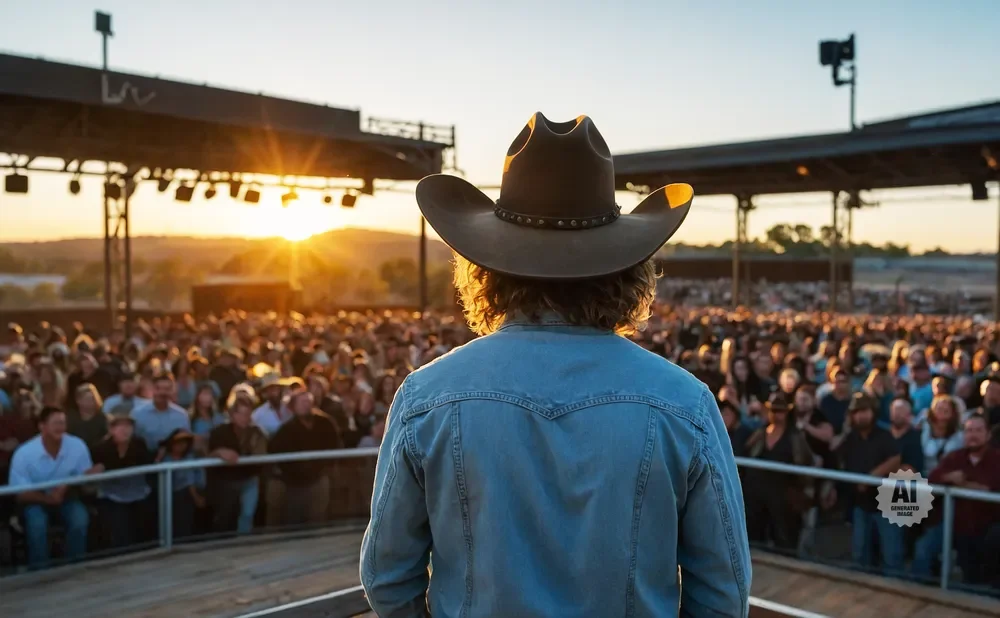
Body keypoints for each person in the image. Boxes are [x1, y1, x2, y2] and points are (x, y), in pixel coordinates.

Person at [361, 114, 751, 617]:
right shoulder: (685, 404)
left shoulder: (427, 397)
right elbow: (723, 596)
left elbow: (388, 580)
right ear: (628, 269)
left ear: (485, 268)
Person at [8, 406, 99, 568]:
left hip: (68, 496)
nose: (60, 427)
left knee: (80, 519)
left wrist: (87, 476)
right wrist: (48, 498)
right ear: (42, 426)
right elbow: (20, 493)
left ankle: (75, 568)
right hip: (35, 500)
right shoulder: (24, 453)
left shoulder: (77, 445)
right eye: (56, 423)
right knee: (37, 524)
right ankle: (41, 573)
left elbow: (86, 479)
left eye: (63, 423)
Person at [833, 393, 903, 576]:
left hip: (887, 506)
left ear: (873, 412)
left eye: (864, 411)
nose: (860, 416)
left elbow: (896, 459)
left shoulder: (884, 434)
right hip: (861, 504)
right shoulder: (850, 437)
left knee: (891, 556)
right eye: (856, 412)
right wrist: (845, 428)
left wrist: (871, 478)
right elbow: (835, 452)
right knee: (860, 554)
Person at [268, 390, 343, 525]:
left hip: (319, 478)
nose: (305, 405)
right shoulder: (286, 430)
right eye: (302, 402)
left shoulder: (325, 423)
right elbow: (278, 454)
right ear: (293, 407)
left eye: (308, 402)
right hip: (294, 483)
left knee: (318, 518)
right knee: (295, 520)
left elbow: (336, 445)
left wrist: (327, 469)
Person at [89, 405, 154, 549]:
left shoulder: (139, 444)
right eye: (119, 425)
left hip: (139, 494)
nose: (125, 429)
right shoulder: (100, 449)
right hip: (112, 496)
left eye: (128, 425)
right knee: (120, 532)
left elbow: (149, 465)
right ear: (111, 429)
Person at [207, 399, 267, 534]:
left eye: (247, 414)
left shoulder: (257, 433)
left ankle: (243, 544)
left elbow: (261, 456)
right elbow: (208, 456)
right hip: (227, 481)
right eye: (241, 414)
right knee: (225, 516)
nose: (244, 418)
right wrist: (219, 452)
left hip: (249, 480)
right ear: (232, 415)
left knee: (247, 514)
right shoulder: (219, 432)